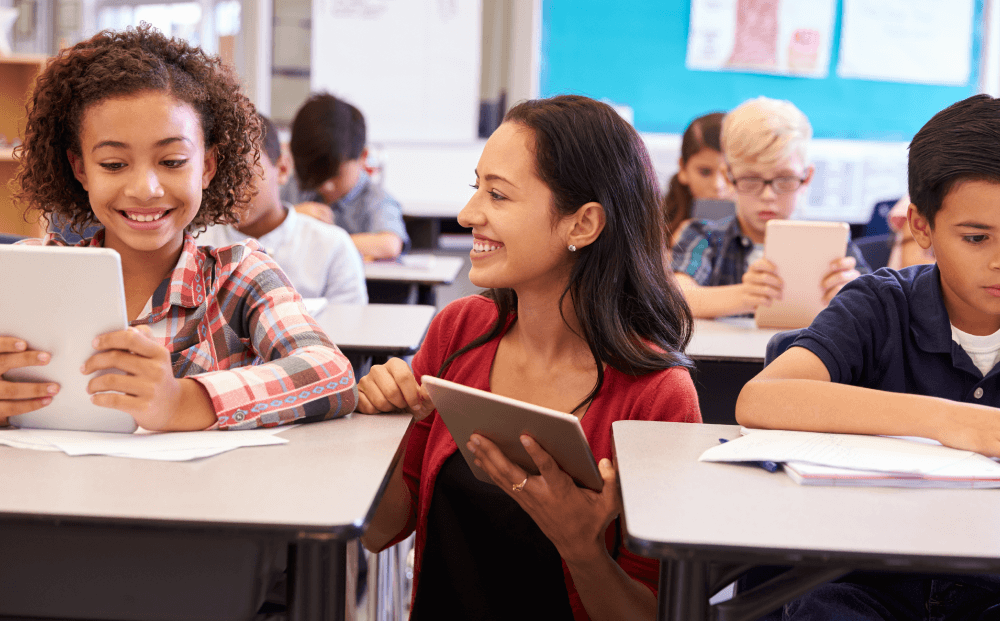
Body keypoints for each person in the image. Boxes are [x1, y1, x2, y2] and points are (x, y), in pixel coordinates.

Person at [357, 95, 701, 620]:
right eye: (477, 188)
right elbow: (382, 532)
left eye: (497, 194)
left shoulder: (657, 394)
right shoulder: (460, 330)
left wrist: (581, 549)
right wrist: (382, 430)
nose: (468, 213)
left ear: (582, 225)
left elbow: (654, 611)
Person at [1, 25, 357, 431]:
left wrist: (184, 402)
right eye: (114, 164)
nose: (145, 189)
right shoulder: (30, 273)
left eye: (172, 162)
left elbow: (332, 375)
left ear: (207, 166)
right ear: (80, 169)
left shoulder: (239, 277)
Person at [735, 94, 1000, 620]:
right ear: (920, 227)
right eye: (976, 238)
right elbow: (762, 399)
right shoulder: (882, 304)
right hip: (859, 580)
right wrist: (952, 421)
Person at [671, 97, 870, 318]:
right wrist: (745, 296)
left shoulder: (834, 245)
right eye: (751, 180)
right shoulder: (704, 236)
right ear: (729, 178)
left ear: (806, 178)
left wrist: (852, 297)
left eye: (784, 180)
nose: (768, 195)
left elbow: (875, 308)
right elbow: (676, 298)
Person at [197, 113, 368, 306]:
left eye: (243, 176)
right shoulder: (195, 248)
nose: (229, 189)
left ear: (283, 169)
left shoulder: (333, 247)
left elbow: (348, 331)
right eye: (218, 177)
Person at [285, 93, 409, 261]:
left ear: (363, 156)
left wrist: (319, 242)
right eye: (317, 176)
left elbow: (390, 244)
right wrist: (290, 217)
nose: (326, 185)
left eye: (336, 175)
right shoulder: (293, 187)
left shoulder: (374, 198)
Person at [663, 111, 734, 247]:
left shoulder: (764, 227)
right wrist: (673, 256)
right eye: (705, 172)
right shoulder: (654, 226)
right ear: (683, 168)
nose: (718, 185)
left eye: (729, 172)